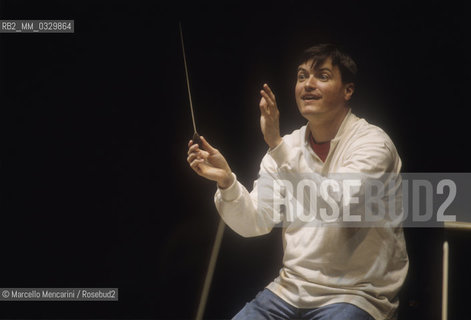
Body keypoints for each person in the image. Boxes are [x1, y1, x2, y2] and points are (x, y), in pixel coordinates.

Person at [187, 43, 408, 320]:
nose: (308, 84)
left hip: (356, 295)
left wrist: (277, 146)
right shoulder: (286, 147)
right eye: (302, 76)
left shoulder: (373, 144)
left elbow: (334, 208)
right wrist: (227, 183)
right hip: (289, 291)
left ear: (347, 90)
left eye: (322, 76)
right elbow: (255, 222)